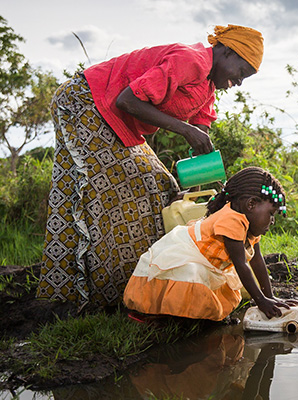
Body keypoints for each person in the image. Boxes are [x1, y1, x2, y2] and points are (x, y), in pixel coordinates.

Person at [37, 25, 264, 309]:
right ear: (227, 52)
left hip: (116, 120)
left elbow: (201, 130)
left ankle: (139, 282)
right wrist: (185, 130)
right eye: (241, 73)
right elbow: (127, 100)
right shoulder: (191, 60)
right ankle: (88, 293)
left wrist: (205, 174)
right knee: (104, 194)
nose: (239, 82)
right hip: (87, 103)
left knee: (162, 187)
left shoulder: (207, 87)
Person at [123, 167, 298, 321]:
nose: (272, 221)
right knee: (191, 275)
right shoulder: (231, 219)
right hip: (183, 256)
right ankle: (156, 313)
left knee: (212, 283)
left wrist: (270, 297)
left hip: (205, 262)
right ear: (251, 204)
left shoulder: (249, 227)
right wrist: (261, 301)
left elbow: (257, 260)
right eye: (271, 214)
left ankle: (181, 314)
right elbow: (241, 264)